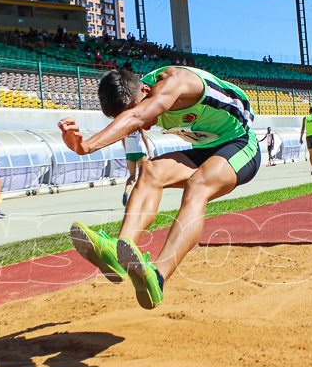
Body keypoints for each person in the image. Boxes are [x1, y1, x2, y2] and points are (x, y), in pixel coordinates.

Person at [60, 66, 260, 309]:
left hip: (241, 143)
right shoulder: (137, 95)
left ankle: (158, 277)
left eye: (138, 108)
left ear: (146, 91)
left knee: (198, 185)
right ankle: (118, 250)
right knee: (150, 171)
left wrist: (86, 147)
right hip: (205, 149)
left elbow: (137, 117)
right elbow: (133, 117)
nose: (144, 129)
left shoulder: (176, 81)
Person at [121, 128, 151, 207]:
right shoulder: (139, 124)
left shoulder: (125, 127)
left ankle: (126, 192)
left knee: (132, 176)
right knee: (143, 176)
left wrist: (126, 150)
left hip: (129, 152)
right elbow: (144, 136)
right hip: (140, 150)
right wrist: (149, 151)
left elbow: (122, 139)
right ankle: (140, 197)